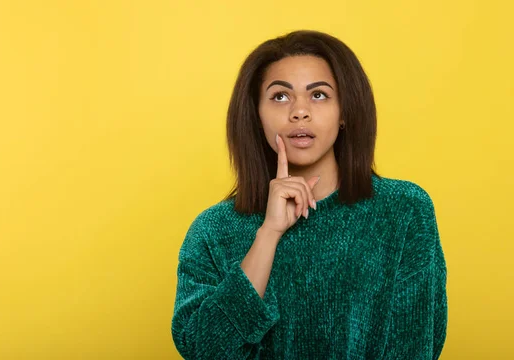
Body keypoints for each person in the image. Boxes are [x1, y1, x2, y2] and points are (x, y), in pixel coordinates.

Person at [171, 30, 448, 359]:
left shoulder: (404, 211)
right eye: (280, 97)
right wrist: (268, 235)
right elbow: (203, 351)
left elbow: (416, 345)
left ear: (344, 112)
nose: (299, 112)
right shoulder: (213, 230)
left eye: (318, 95)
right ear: (256, 116)